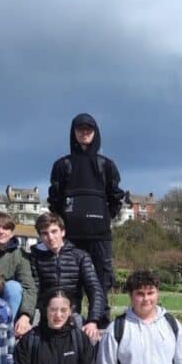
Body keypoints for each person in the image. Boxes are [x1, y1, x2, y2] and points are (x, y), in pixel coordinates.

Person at [47, 113, 126, 302]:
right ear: (73, 132)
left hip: (100, 238)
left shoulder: (106, 165)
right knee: (68, 289)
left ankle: (100, 320)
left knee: (100, 288)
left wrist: (105, 217)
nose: (84, 133)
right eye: (80, 129)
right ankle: (71, 321)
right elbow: (54, 199)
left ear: (95, 132)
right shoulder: (62, 165)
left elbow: (116, 197)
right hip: (70, 238)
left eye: (88, 129)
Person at [29, 212, 106, 344]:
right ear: (40, 236)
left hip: (72, 314)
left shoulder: (80, 256)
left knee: (89, 340)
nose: (50, 237)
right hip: (44, 315)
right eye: (45, 233)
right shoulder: (34, 258)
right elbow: (33, 289)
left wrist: (93, 321)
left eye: (54, 231)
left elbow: (94, 289)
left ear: (63, 232)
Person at [0, 211, 37, 338]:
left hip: (7, 304)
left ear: (11, 233)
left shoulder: (19, 255)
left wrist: (25, 316)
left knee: (13, 287)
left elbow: (28, 286)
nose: (1, 231)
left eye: (6, 228)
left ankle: (4, 333)